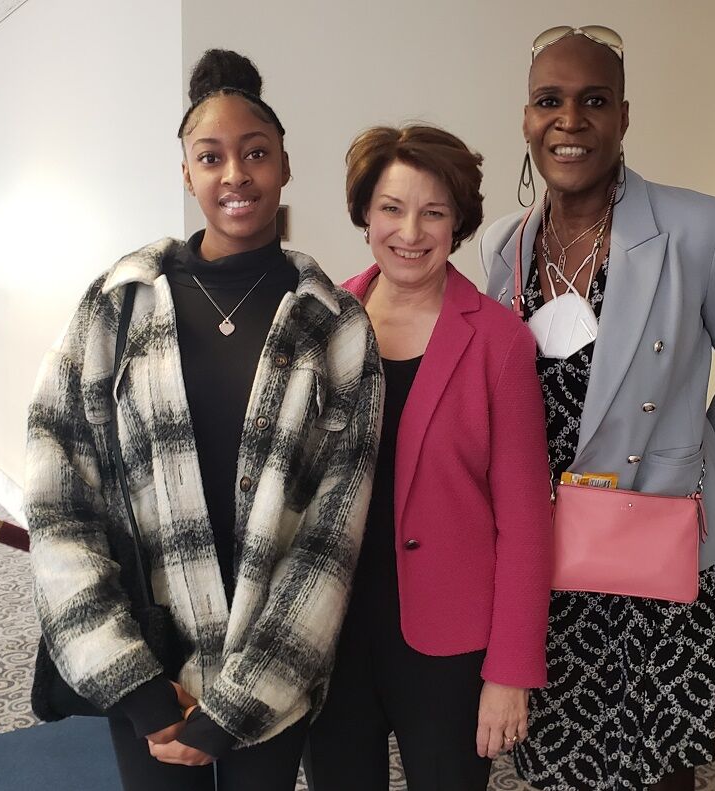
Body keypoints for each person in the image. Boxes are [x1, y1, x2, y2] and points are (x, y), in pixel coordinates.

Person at [25, 49, 382, 791]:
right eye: (210, 157)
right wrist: (136, 685)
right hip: (148, 662)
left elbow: (334, 530)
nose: (234, 175)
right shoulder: (117, 304)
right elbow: (61, 495)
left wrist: (241, 703)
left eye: (255, 154)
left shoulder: (336, 325)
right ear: (186, 172)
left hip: (270, 675)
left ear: (285, 164)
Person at [481, 25, 715, 791]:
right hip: (546, 548)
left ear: (623, 116)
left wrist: (706, 472)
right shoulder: (505, 247)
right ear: (526, 118)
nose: (570, 120)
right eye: (550, 101)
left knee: (659, 758)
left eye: (593, 101)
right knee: (558, 747)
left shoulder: (699, 228)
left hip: (654, 532)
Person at [302, 125, 554, 790]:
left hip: (449, 645)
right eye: (391, 207)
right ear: (364, 214)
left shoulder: (499, 342)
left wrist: (510, 671)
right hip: (332, 632)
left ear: (458, 222)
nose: (410, 231)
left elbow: (527, 521)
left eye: (433, 212)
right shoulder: (321, 320)